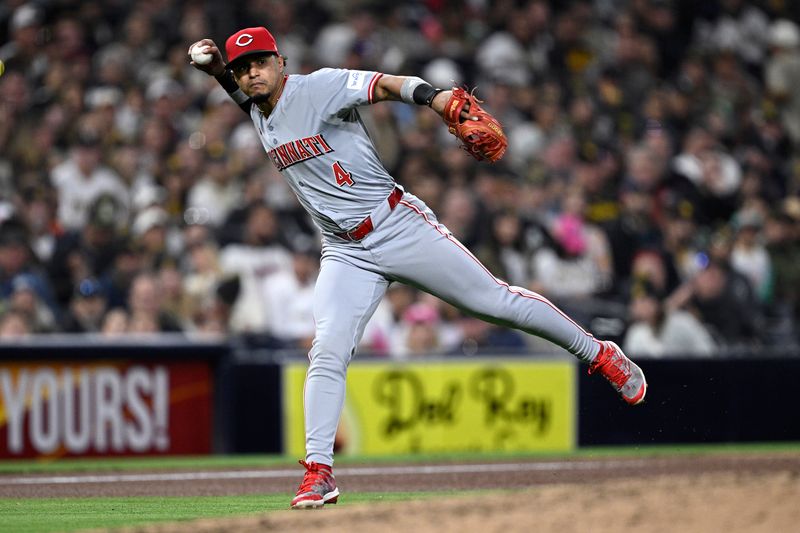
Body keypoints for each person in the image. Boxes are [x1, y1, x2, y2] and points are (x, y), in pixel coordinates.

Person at [189, 26, 647, 509]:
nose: (251, 73)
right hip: (344, 251)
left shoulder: (316, 87)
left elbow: (385, 85)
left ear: (280, 61)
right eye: (243, 68)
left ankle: (598, 353)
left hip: (396, 224)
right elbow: (249, 101)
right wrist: (221, 70)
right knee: (326, 349)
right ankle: (318, 471)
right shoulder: (259, 110)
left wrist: (436, 98)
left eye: (259, 62)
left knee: (495, 303)